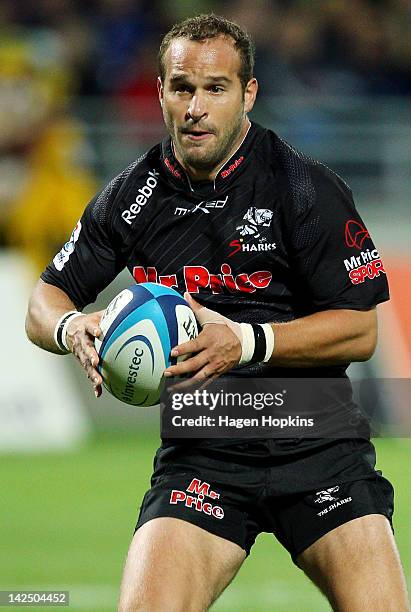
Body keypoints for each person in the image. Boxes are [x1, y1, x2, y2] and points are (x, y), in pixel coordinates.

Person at [25, 14, 410, 612]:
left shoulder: (304, 189)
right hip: (202, 456)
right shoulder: (133, 197)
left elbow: (360, 329)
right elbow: (42, 301)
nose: (196, 107)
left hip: (318, 451)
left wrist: (248, 342)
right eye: (181, 88)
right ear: (160, 93)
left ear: (247, 93)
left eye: (215, 88)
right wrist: (73, 325)